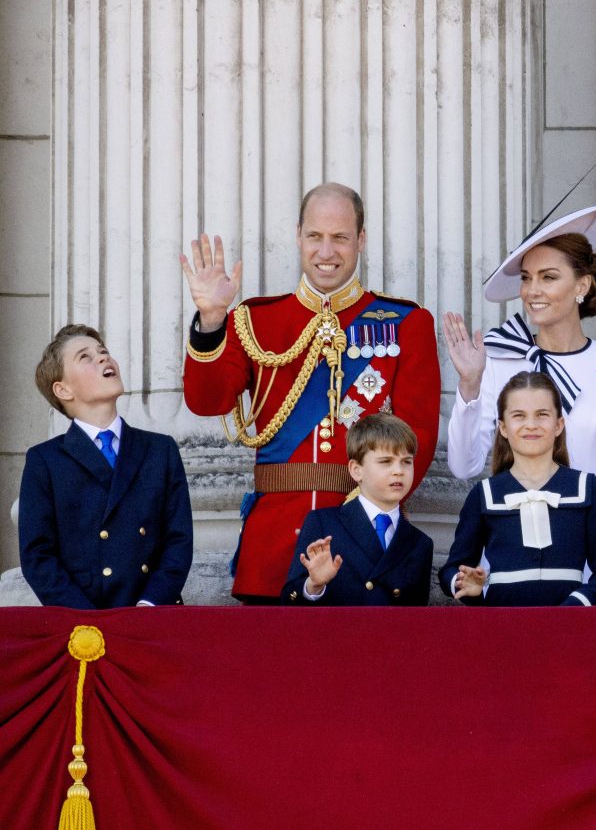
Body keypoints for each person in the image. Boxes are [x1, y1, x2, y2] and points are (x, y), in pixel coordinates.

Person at [181, 182, 440, 603]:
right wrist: (212, 321)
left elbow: (419, 439)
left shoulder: (405, 323)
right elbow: (207, 401)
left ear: (360, 240)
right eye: (315, 236)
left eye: (339, 238)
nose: (326, 251)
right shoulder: (255, 320)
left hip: (363, 548)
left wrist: (364, 520)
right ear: (298, 236)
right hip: (273, 548)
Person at [442, 202, 596, 526]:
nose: (532, 291)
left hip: (578, 553)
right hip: (503, 550)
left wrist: (580, 524)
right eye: (526, 278)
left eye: (548, 277)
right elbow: (463, 466)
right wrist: (470, 384)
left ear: (581, 285)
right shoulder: (499, 360)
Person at [19, 325, 193, 608]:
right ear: (63, 389)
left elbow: (178, 540)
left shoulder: (161, 450)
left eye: (103, 352)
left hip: (152, 616)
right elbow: (38, 556)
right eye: (85, 357)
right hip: (82, 625)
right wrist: (88, 620)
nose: (102, 358)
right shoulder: (45, 460)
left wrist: (149, 604)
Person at [438, 371, 596, 606]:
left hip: (569, 630)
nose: (531, 425)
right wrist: (465, 583)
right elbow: (450, 569)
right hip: (504, 627)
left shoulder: (587, 487)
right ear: (503, 427)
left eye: (542, 415)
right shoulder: (483, 494)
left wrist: (575, 607)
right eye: (519, 416)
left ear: (558, 425)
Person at [280, 414, 433, 605]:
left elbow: (418, 621)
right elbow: (288, 602)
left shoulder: (420, 543)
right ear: (356, 470)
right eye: (386, 461)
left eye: (406, 461)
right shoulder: (323, 523)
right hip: (336, 633)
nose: (399, 471)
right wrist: (314, 585)